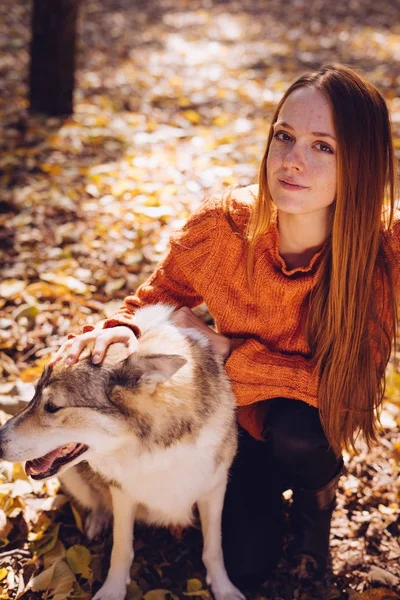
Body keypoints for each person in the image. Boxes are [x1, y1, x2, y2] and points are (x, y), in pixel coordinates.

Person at [50, 64, 399, 589]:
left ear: (361, 162)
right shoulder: (225, 226)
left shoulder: (383, 250)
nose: (292, 160)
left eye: (322, 146)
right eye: (284, 136)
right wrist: (122, 329)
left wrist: (233, 354)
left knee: (299, 434)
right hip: (230, 427)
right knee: (248, 567)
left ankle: (314, 510)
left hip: (304, 427)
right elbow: (154, 296)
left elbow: (351, 388)